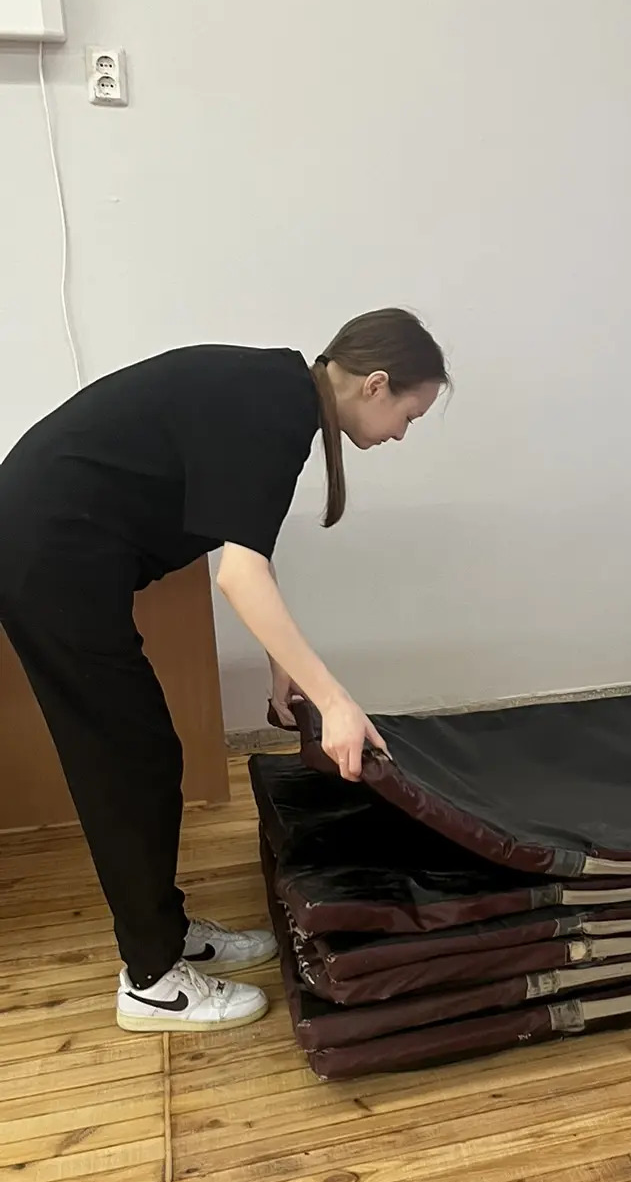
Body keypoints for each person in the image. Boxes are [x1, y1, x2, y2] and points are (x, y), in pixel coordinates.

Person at [0, 310, 448, 1034]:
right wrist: (335, 701)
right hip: (46, 553)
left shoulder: (279, 394)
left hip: (58, 549)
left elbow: (245, 552)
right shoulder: (276, 409)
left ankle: (166, 933)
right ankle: (151, 980)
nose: (401, 433)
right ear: (375, 385)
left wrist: (282, 667)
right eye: (409, 415)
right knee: (127, 761)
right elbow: (238, 576)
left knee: (142, 754)